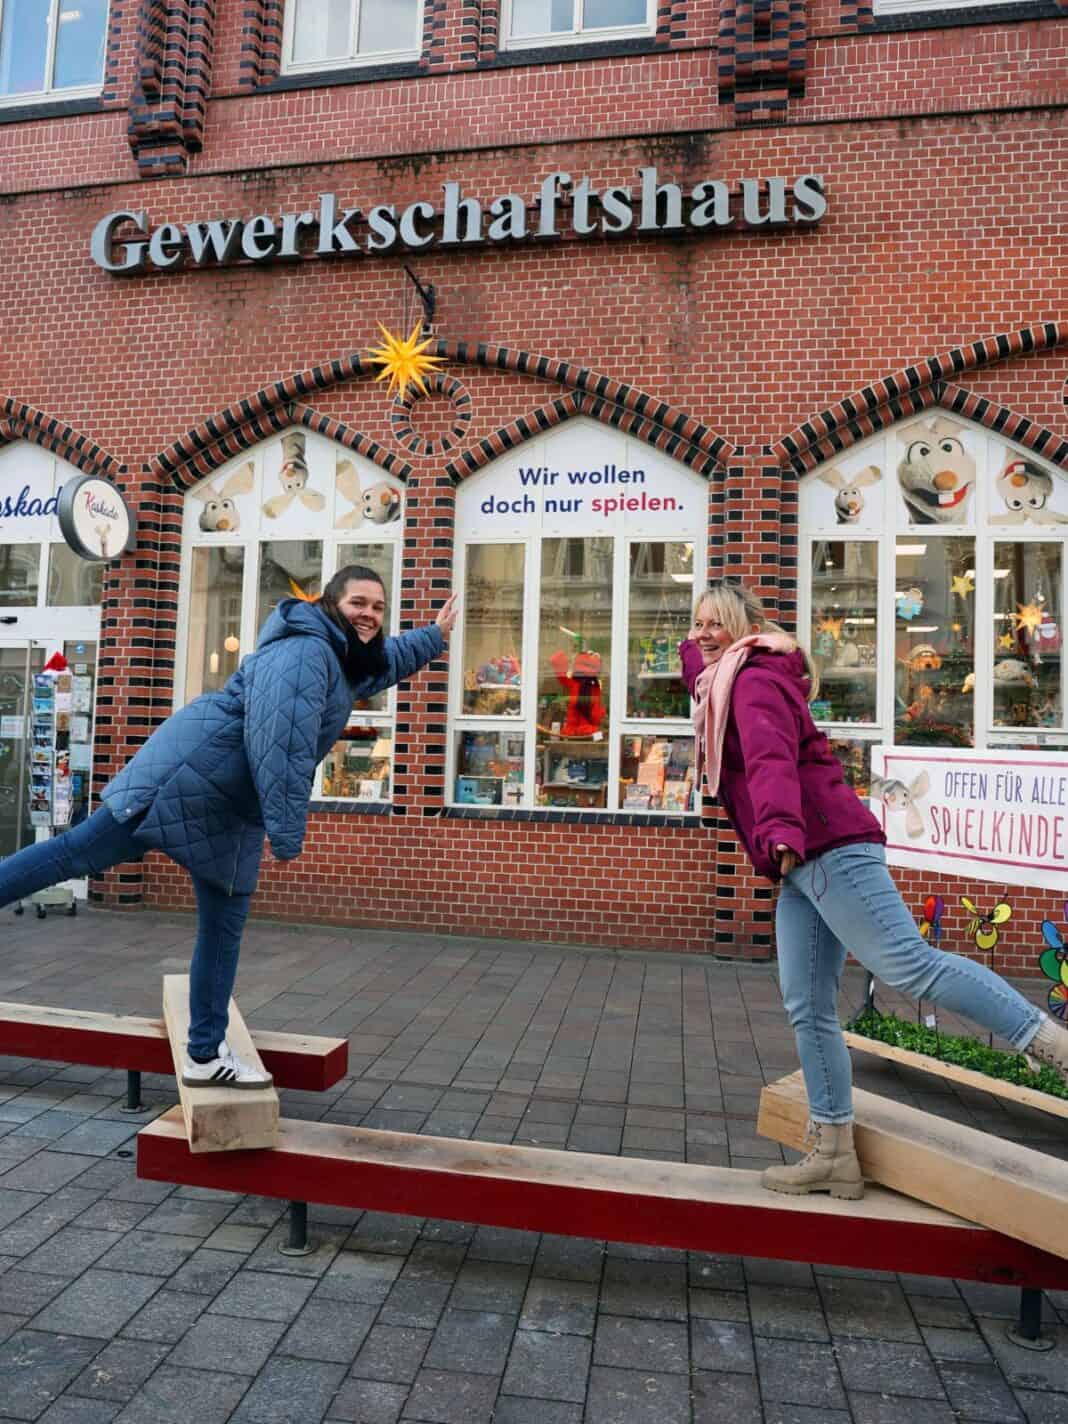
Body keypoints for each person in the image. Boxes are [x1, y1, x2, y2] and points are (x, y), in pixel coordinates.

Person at [680, 579, 1068, 1200]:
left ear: (744, 630)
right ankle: (833, 1151)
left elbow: (772, 760)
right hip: (804, 862)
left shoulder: (750, 681)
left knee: (907, 965)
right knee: (806, 1003)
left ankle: (1047, 1044)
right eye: (695, 623)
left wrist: (778, 829)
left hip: (824, 844)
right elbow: (698, 670)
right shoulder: (721, 680)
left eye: (714, 624)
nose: (701, 635)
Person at [1, 565, 457, 1089]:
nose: (370, 615)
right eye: (359, 603)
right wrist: (287, 833)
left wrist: (434, 637)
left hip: (225, 801)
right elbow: (279, 746)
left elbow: (378, 665)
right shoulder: (306, 653)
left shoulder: (336, 652)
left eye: (378, 607)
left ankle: (204, 1053)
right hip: (186, 780)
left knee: (222, 922)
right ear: (332, 603)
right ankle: (204, 1050)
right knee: (74, 855)